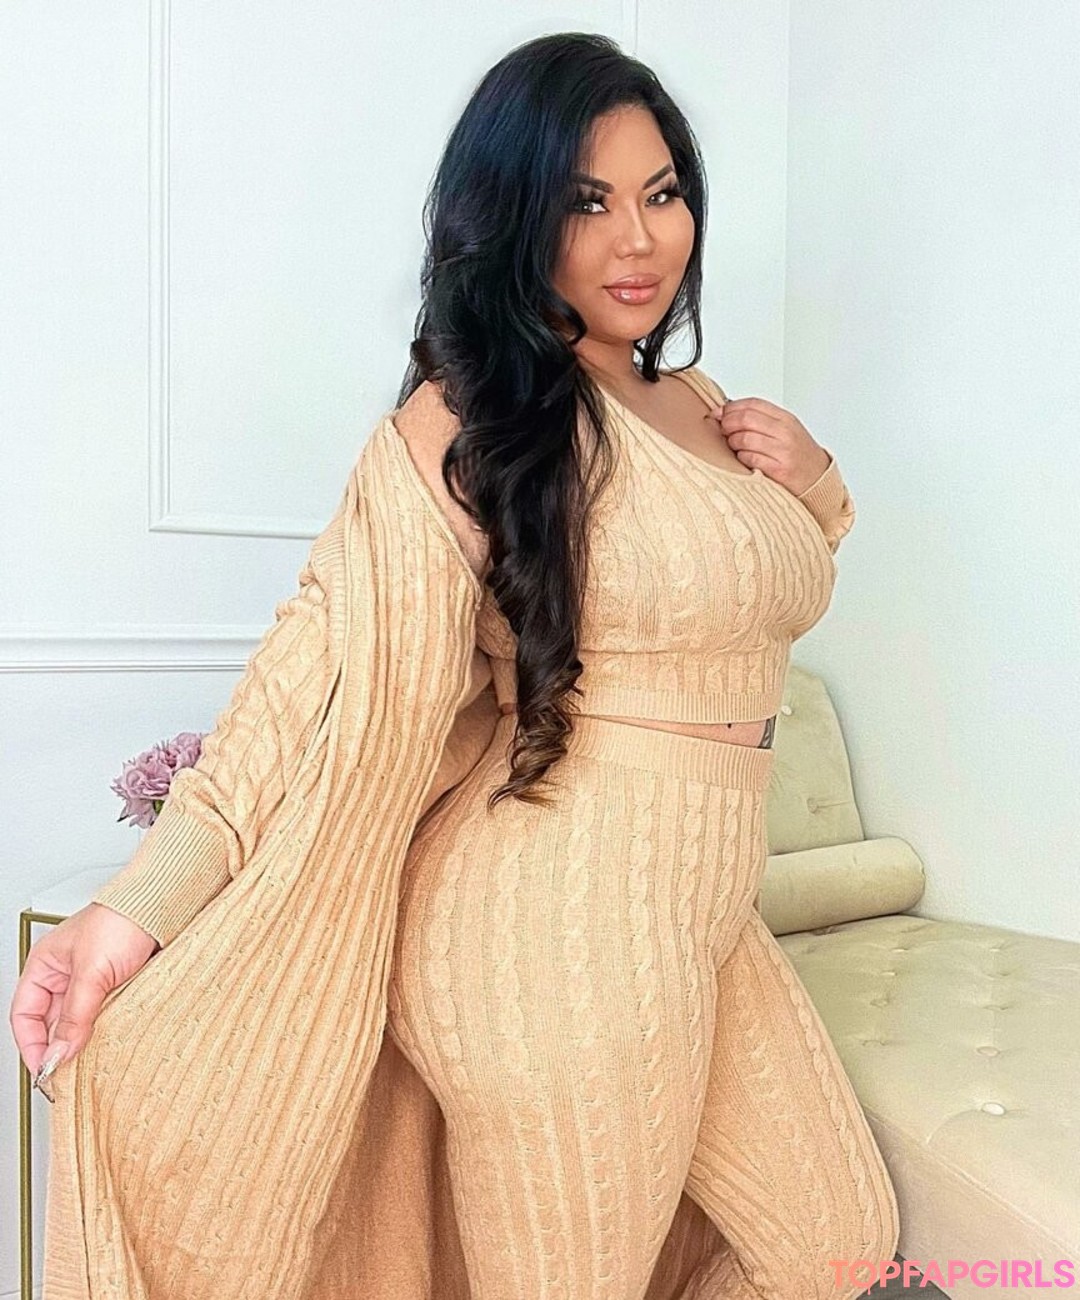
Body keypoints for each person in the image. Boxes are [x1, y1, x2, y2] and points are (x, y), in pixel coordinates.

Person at [10, 31, 897, 1300]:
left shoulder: (706, 403)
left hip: (701, 905)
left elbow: (751, 597)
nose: (638, 239)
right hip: (549, 926)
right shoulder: (477, 417)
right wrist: (136, 906)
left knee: (839, 1243)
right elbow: (318, 676)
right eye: (586, 201)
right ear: (514, 216)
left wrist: (818, 485)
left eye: (661, 193)